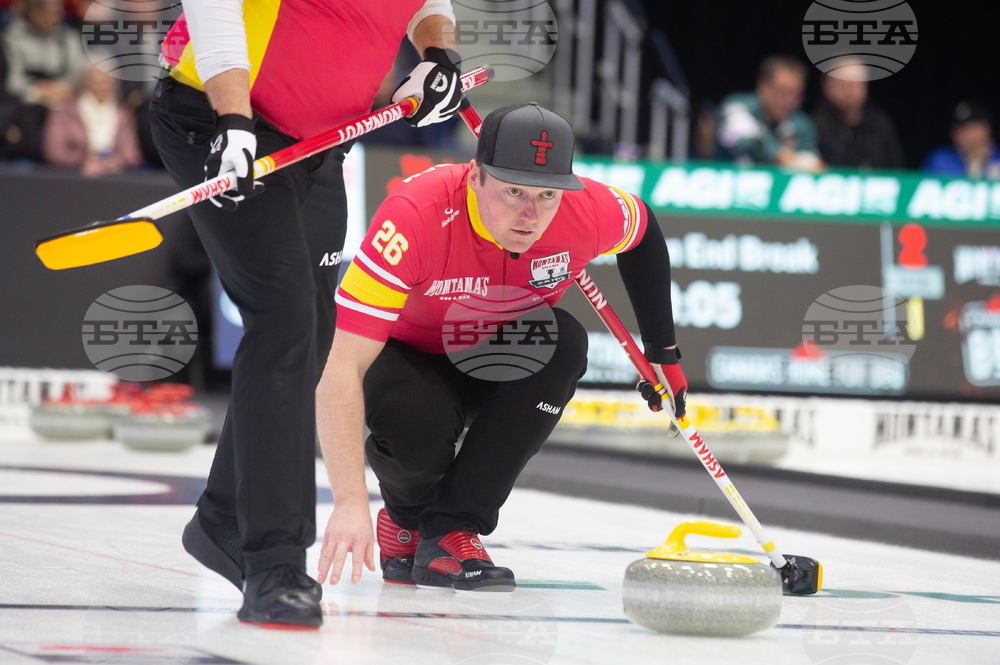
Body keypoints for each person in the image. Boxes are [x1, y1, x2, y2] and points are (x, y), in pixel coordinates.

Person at [149, 0, 462, 629]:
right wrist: (232, 118)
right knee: (284, 319)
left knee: (313, 333)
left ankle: (222, 519)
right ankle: (275, 560)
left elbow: (429, 5)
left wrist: (438, 56)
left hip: (318, 145)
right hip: (219, 122)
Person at [315, 104, 688, 592]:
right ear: (475, 177)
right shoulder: (415, 216)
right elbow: (340, 366)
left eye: (546, 195)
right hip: (406, 354)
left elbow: (643, 232)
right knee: (418, 425)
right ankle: (405, 516)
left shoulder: (582, 209)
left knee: (564, 340)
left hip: (492, 353)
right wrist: (348, 502)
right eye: (513, 191)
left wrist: (664, 354)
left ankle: (452, 528)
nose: (530, 214)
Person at [715, 55, 823, 171]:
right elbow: (748, 142)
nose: (789, 101)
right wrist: (783, 157)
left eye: (796, 94)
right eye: (783, 92)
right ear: (763, 86)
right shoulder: (736, 106)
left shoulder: (802, 123)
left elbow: (813, 164)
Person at [42, 65, 142, 175]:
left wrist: (113, 162)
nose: (104, 87)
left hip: (115, 176)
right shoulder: (65, 110)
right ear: (86, 82)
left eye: (109, 82)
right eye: (99, 82)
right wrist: (82, 160)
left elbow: (132, 155)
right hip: (71, 174)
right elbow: (54, 151)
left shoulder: (123, 113)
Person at [812, 61, 905, 169]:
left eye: (857, 85)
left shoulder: (879, 122)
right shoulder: (815, 124)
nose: (850, 93)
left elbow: (897, 167)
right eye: (843, 85)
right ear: (826, 86)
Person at [1, 0, 85, 109]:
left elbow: (78, 71)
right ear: (35, 14)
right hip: (25, 101)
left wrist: (60, 88)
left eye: (60, 12)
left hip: (63, 97)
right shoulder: (13, 37)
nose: (58, 17)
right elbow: (12, 80)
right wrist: (37, 90)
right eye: (52, 12)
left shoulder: (69, 37)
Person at [922, 102, 1000, 180]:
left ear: (987, 129)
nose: (968, 135)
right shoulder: (940, 159)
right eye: (962, 130)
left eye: (973, 128)